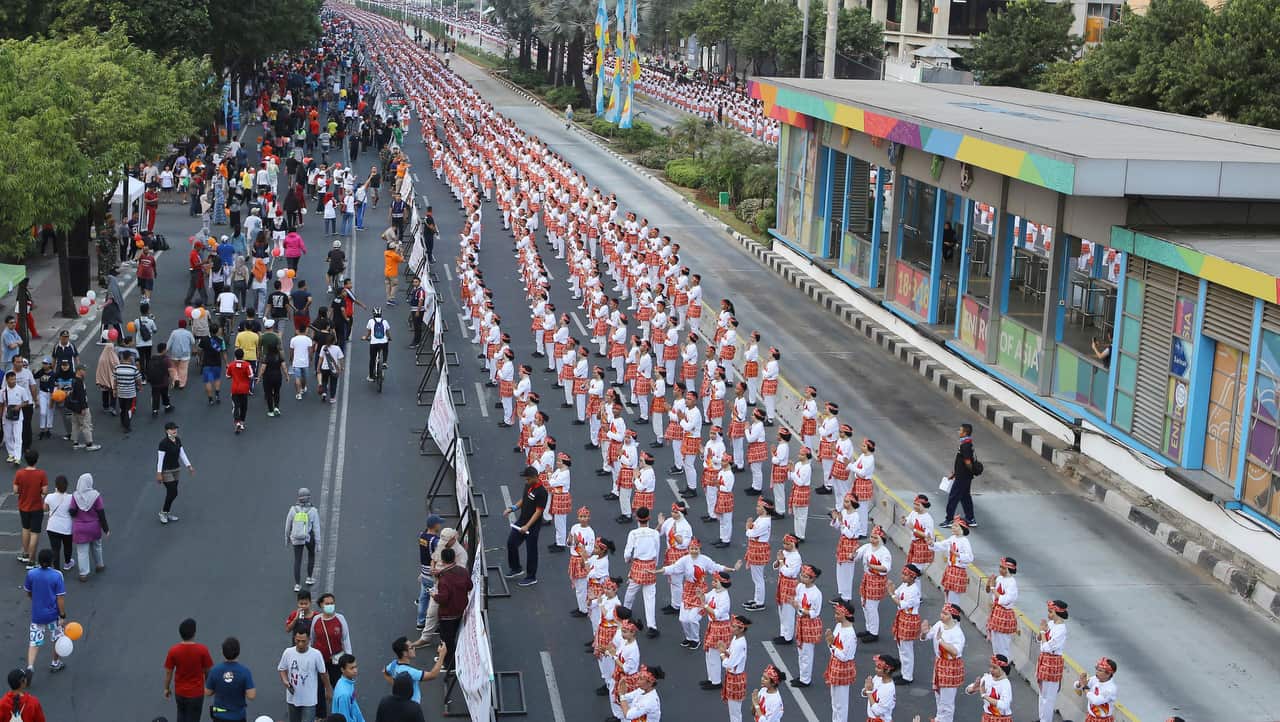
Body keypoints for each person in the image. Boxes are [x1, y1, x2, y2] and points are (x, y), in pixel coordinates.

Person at [23, 549, 66, 679]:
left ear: (39, 561)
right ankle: (55, 662)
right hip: (53, 616)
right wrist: (62, 615)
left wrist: (35, 600)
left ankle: (30, 666)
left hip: (37, 616)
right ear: (52, 561)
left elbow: (29, 592)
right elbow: (60, 598)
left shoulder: (31, 574)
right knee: (56, 638)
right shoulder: (57, 575)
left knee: (34, 642)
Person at [503, 466, 547, 587]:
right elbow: (523, 499)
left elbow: (538, 512)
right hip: (522, 520)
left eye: (527, 479)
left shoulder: (542, 492)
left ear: (534, 477)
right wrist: (513, 508)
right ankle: (516, 568)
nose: (525, 481)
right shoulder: (528, 485)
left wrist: (527, 526)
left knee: (531, 550)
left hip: (532, 525)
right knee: (511, 543)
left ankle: (531, 576)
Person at [164, 617, 215, 722]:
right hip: (196, 694)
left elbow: (169, 672)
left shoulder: (173, 651)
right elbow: (207, 671)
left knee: (181, 716)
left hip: (180, 693)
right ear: (194, 633)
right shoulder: (202, 650)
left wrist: (166, 688)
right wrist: (209, 687)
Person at [310, 593, 353, 715]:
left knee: (339, 684)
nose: (330, 605)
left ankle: (342, 710)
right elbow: (312, 639)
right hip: (320, 659)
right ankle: (320, 714)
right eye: (327, 603)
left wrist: (348, 658)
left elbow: (345, 639)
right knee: (318, 686)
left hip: (336, 659)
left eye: (332, 603)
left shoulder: (340, 619)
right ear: (321, 605)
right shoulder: (316, 620)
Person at [431, 547, 472, 671]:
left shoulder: (444, 579)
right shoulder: (463, 571)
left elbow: (443, 599)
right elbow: (470, 586)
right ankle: (449, 659)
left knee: (446, 639)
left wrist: (434, 595)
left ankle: (449, 664)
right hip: (460, 610)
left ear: (442, 561)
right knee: (453, 637)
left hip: (447, 614)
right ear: (454, 558)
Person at [278, 625, 329, 722]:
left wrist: (328, 689)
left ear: (309, 639)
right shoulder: (288, 652)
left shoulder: (316, 654)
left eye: (303, 641)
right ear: (294, 639)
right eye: (298, 641)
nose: (300, 644)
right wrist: (285, 681)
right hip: (292, 698)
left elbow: (323, 673)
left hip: (309, 700)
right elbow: (282, 669)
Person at [382, 637, 445, 706]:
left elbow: (384, 671)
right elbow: (432, 675)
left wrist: (395, 684)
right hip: (412, 705)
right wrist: (442, 655)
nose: (414, 648)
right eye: (411, 647)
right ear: (404, 653)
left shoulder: (393, 664)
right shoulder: (410, 672)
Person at [206, 636, 256, 722]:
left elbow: (207, 692)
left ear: (222, 652)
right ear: (238, 651)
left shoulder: (214, 671)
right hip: (238, 717)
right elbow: (251, 696)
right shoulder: (245, 671)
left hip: (219, 717)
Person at [68, 473, 107, 581]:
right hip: (94, 527)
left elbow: (71, 511)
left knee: (82, 551)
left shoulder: (75, 496)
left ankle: (83, 573)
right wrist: (106, 529)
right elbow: (101, 513)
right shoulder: (96, 496)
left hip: (80, 528)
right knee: (97, 546)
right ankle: (99, 565)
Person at [157, 421, 196, 524]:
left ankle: (167, 512)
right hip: (166, 471)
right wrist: (159, 474)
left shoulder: (177, 440)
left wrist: (189, 466)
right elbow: (160, 459)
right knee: (173, 491)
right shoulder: (163, 443)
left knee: (172, 493)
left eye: (175, 429)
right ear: (167, 431)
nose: (175, 430)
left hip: (176, 469)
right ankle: (163, 512)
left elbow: (182, 454)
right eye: (172, 429)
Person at [14, 449, 47, 567]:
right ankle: (32, 561)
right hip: (36, 507)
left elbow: (15, 490)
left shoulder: (19, 473)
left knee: (25, 529)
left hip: (23, 506)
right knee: (35, 533)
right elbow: (44, 491)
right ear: (36, 460)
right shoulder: (41, 474)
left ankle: (25, 554)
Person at [941, 424, 977, 527]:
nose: (958, 432)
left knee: (953, 497)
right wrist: (956, 473)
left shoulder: (965, 445)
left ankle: (949, 520)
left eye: (960, 430)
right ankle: (970, 519)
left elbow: (967, 462)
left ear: (965, 432)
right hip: (964, 476)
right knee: (965, 497)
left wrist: (968, 472)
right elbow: (962, 462)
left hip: (963, 477)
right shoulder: (967, 443)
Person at [287, 487, 321, 592]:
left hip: (296, 537)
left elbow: (288, 526)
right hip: (308, 537)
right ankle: (309, 578)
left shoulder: (293, 510)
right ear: (309, 498)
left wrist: (287, 538)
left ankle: (297, 584)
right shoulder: (313, 511)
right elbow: (316, 528)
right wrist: (318, 543)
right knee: (311, 554)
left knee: (297, 560)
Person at [43, 475, 74, 571]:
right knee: (68, 546)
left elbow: (45, 509)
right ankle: (67, 563)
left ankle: (56, 569)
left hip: (52, 527)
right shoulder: (71, 498)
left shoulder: (49, 497)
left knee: (55, 549)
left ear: (56, 485)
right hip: (67, 528)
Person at [64, 365, 99, 451]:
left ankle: (75, 443)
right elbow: (81, 396)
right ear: (79, 370)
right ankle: (89, 444)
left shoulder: (73, 380)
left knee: (75, 425)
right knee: (86, 425)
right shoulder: (79, 382)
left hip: (74, 407)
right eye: (84, 370)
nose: (85, 372)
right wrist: (83, 408)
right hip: (81, 407)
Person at [2, 370, 33, 463]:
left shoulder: (21, 390)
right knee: (8, 436)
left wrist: (19, 406)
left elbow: (26, 401)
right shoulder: (3, 391)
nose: (13, 381)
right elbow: (1, 404)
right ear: (7, 380)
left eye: (14, 379)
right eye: (11, 379)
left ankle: (17, 457)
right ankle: (11, 454)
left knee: (18, 436)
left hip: (18, 415)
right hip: (6, 416)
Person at [329, 654, 365, 722]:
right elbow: (345, 719)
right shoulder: (344, 695)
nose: (355, 670)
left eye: (355, 667)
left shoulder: (346, 682)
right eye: (351, 668)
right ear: (342, 669)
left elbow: (353, 704)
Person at [113, 351, 142, 433]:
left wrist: (114, 390)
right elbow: (138, 379)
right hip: (130, 393)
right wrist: (140, 386)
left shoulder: (117, 368)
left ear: (122, 357)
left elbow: (115, 380)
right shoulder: (133, 368)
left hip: (121, 392)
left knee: (122, 408)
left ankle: (122, 422)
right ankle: (127, 425)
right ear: (130, 357)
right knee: (128, 409)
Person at [226, 348, 254, 433]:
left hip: (235, 389)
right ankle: (242, 423)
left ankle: (237, 422)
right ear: (243, 356)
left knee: (235, 406)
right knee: (244, 406)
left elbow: (227, 376)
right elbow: (251, 376)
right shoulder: (247, 365)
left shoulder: (231, 365)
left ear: (235, 356)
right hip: (245, 389)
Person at [166, 320, 196, 390]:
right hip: (185, 354)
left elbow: (169, 343)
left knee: (174, 368)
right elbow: (193, 342)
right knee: (183, 369)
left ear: (178, 325)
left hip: (175, 354)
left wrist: (166, 350)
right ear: (185, 326)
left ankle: (175, 379)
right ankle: (181, 384)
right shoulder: (188, 333)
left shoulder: (174, 332)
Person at [362, 307, 390, 382]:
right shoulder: (385, 321)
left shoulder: (370, 321)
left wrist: (365, 337)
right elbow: (387, 333)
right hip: (383, 343)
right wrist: (389, 338)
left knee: (372, 359)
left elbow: (369, 333)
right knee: (385, 348)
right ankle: (384, 362)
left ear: (373, 314)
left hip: (374, 343)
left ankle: (371, 376)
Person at [149, 342, 176, 416]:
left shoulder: (153, 358)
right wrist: (172, 380)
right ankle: (167, 406)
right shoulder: (166, 359)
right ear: (164, 350)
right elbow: (170, 370)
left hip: (154, 381)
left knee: (155, 395)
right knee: (165, 394)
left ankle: (155, 410)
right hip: (163, 381)